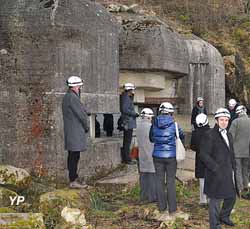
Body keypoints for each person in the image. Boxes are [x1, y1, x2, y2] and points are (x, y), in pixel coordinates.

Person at [200, 108, 237, 229]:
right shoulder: (209, 134)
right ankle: (214, 225)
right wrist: (215, 168)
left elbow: (230, 152)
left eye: (226, 120)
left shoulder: (229, 134)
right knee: (215, 201)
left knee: (231, 196)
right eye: (221, 120)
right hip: (214, 173)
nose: (224, 122)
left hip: (227, 171)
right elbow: (204, 155)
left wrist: (233, 166)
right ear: (216, 120)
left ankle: (224, 217)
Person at [150, 102, 185, 215]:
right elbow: (182, 136)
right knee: (170, 182)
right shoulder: (174, 124)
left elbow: (151, 138)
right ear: (170, 112)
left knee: (159, 182)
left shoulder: (154, 123)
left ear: (160, 111)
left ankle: (161, 208)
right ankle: (172, 209)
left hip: (157, 156)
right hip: (171, 156)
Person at [62, 76, 89, 189]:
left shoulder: (68, 96)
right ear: (76, 86)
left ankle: (73, 178)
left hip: (71, 131)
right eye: (79, 86)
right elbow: (81, 115)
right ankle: (73, 180)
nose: (80, 88)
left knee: (73, 155)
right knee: (74, 156)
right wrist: (86, 126)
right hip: (75, 132)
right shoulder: (73, 97)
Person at [136, 108, 157, 203]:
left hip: (142, 156)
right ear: (149, 117)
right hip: (151, 155)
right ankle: (152, 197)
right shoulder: (151, 127)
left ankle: (143, 197)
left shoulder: (138, 127)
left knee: (143, 177)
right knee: (152, 178)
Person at [229, 105, 250, 194]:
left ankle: (240, 188)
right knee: (245, 169)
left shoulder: (235, 122)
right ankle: (246, 186)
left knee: (238, 170)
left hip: (237, 151)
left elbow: (230, 137)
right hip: (247, 151)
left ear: (238, 113)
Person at [190, 113, 210, 206]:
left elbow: (192, 146)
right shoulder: (212, 132)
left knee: (202, 180)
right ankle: (210, 198)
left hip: (200, 159)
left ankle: (203, 200)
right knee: (210, 179)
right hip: (210, 159)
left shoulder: (195, 133)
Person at [120, 83, 139, 164]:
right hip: (128, 122)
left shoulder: (126, 97)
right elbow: (124, 109)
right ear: (130, 90)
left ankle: (126, 158)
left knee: (127, 141)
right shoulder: (126, 97)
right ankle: (127, 159)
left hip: (128, 122)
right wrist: (134, 114)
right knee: (127, 141)